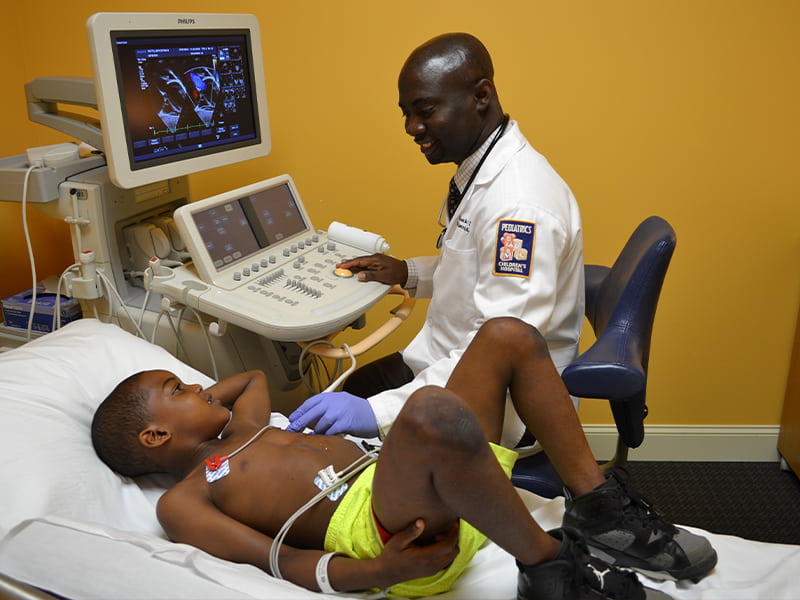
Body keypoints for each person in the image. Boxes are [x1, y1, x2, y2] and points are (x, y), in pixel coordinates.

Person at [92, 317, 715, 599]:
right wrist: (378, 574)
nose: (198, 385)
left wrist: (195, 406)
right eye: (177, 389)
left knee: (507, 336)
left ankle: (596, 508)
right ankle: (550, 570)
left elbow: (251, 376)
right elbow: (278, 560)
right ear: (153, 439)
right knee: (429, 410)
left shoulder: (246, 430)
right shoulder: (187, 500)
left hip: (447, 486)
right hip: (398, 533)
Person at [287, 32, 584, 448]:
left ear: (482, 96)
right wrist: (408, 272)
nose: (412, 127)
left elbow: (498, 354)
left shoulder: (518, 207)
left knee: (318, 448)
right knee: (332, 405)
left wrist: (379, 413)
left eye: (425, 110)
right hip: (440, 363)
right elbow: (475, 265)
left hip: (495, 403)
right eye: (406, 113)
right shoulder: (482, 169)